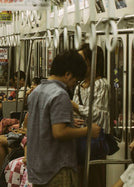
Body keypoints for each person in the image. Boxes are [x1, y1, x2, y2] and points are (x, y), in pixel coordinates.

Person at [27, 50, 101, 186]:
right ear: (68, 74)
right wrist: (88, 130)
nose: (73, 84)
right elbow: (59, 132)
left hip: (38, 165)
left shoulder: (36, 92)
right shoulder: (60, 95)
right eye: (75, 79)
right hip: (56, 167)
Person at [71, 43, 109, 187]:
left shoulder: (101, 84)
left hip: (94, 140)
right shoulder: (79, 85)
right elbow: (76, 112)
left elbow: (96, 113)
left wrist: (75, 106)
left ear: (92, 61)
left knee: (94, 179)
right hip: (79, 136)